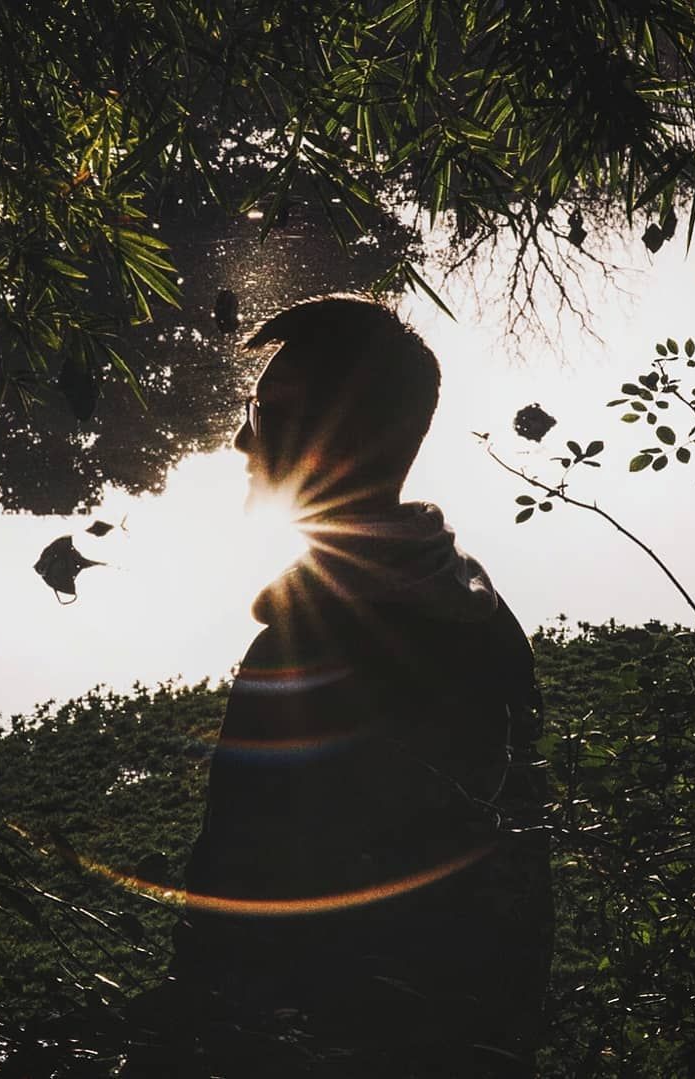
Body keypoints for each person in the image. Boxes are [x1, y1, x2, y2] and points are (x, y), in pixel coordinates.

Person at [164, 296, 552, 1077]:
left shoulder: (300, 652)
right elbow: (522, 867)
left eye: (265, 413)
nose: (242, 437)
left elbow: (236, 902)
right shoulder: (478, 606)